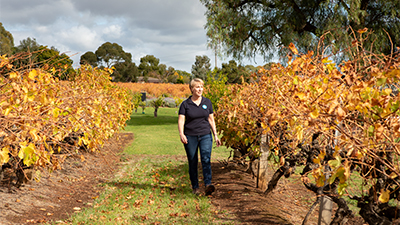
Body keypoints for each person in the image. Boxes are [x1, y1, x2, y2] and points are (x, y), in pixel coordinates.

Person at [178, 78, 221, 196]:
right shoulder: (185, 104)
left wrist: (215, 135)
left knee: (206, 159)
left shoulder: (207, 103)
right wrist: (181, 134)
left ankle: (208, 185)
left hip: (205, 135)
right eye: (197, 87)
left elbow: (211, 120)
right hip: (190, 136)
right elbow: (181, 120)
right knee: (192, 162)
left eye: (201, 87)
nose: (200, 89)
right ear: (192, 89)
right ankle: (195, 187)